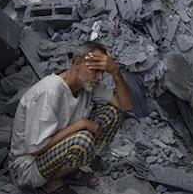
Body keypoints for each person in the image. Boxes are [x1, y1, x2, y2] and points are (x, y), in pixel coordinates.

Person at [9, 41, 133, 194]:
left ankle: (69, 169)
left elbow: (125, 105)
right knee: (83, 140)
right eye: (96, 71)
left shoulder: (86, 84)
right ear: (78, 62)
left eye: (103, 73)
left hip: (59, 148)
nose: (100, 78)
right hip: (29, 166)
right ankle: (52, 181)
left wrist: (115, 72)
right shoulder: (49, 92)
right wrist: (80, 124)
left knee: (112, 112)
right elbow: (36, 148)